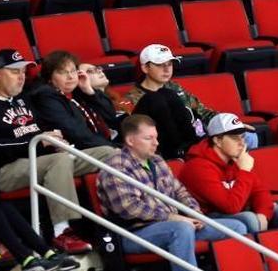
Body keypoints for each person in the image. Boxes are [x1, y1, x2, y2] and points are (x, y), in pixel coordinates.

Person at [0, 48, 98, 253]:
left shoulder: (23, 98)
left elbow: (37, 129)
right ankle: (61, 233)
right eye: (15, 71)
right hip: (6, 170)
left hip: (42, 161)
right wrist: (36, 142)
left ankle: (118, 220)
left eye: (24, 72)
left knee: (109, 154)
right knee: (58, 162)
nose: (21, 77)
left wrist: (51, 137)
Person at [97, 115, 247, 271]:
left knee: (237, 227)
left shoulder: (157, 160)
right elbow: (129, 208)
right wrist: (173, 218)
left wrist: (195, 213)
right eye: (149, 138)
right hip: (133, 234)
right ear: (130, 141)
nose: (156, 143)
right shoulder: (116, 167)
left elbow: (180, 191)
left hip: (174, 225)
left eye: (156, 137)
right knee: (180, 229)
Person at [118, 44, 258, 159]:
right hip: (173, 147)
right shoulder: (132, 99)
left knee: (249, 136)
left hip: (199, 136)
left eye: (170, 64)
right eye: (160, 65)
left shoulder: (174, 87)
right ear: (145, 68)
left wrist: (232, 124)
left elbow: (203, 112)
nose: (167, 69)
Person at [180, 112, 278, 234]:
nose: (241, 143)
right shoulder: (198, 167)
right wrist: (244, 171)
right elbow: (230, 206)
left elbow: (260, 192)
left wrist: (263, 214)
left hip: (235, 211)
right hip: (208, 218)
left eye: (242, 137)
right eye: (235, 138)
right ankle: (256, 252)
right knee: (250, 219)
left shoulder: (235, 158)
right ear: (217, 141)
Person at [30, 51, 121, 152]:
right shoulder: (46, 97)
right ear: (49, 78)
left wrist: (89, 91)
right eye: (62, 72)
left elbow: (110, 114)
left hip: (100, 143)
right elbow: (76, 133)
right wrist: (114, 147)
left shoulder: (79, 90)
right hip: (77, 150)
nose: (70, 76)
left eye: (73, 71)